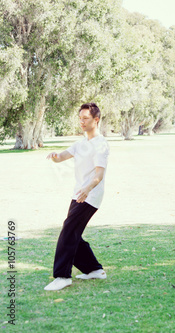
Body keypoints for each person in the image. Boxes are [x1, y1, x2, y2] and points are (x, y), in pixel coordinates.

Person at [44, 103, 110, 291]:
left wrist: (87, 189)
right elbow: (64, 155)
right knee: (73, 233)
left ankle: (62, 276)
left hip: (90, 195)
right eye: (80, 118)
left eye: (86, 118)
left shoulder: (100, 145)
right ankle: (94, 269)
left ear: (96, 120)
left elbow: (99, 175)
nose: (81, 121)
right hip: (79, 193)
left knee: (68, 232)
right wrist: (55, 156)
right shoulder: (81, 143)